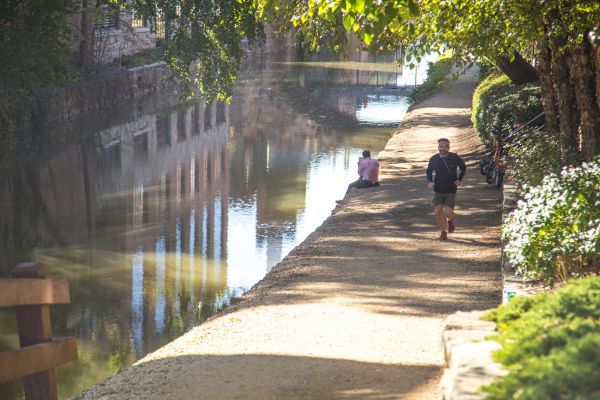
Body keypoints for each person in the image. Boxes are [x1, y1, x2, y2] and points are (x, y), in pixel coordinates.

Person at [426, 138, 466, 240]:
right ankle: (443, 232)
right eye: (441, 146)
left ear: (449, 147)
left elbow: (463, 168)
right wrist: (430, 181)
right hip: (438, 189)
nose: (443, 148)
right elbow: (429, 171)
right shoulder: (434, 159)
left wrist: (459, 179)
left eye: (445, 146)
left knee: (448, 212)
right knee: (437, 212)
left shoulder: (455, 157)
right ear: (438, 147)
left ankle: (450, 221)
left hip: (450, 189)